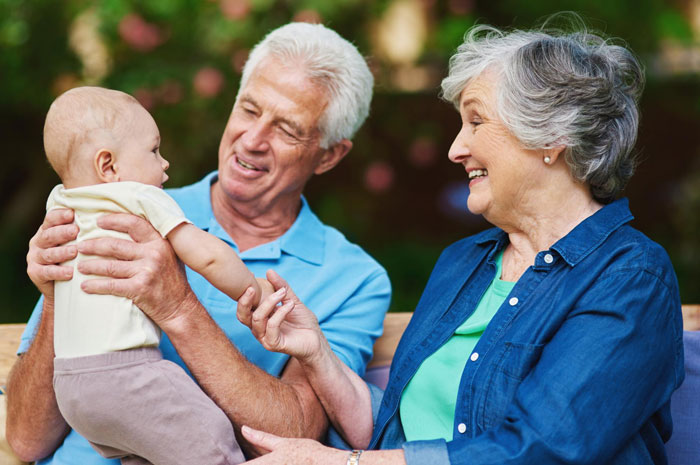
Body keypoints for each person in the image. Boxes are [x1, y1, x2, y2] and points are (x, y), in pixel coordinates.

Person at [235, 18, 685, 465]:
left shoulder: (631, 276)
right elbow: (397, 432)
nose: (455, 148)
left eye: (476, 121)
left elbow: (544, 450)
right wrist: (318, 353)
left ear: (551, 134)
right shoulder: (464, 262)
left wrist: (340, 464)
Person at [5, 22, 391, 465]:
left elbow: (292, 433)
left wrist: (177, 307)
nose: (252, 140)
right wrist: (58, 292)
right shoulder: (125, 207)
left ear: (328, 155)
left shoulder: (353, 279)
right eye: (249, 109)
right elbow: (25, 439)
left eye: (286, 129)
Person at [43, 85, 280, 465]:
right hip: (126, 375)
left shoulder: (61, 202)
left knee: (146, 454)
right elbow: (209, 258)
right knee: (209, 438)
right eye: (154, 150)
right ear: (109, 166)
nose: (164, 163)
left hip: (71, 388)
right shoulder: (137, 196)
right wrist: (256, 290)